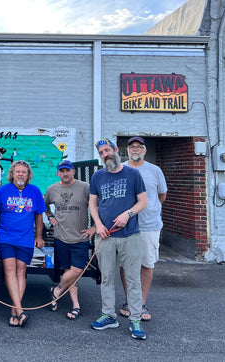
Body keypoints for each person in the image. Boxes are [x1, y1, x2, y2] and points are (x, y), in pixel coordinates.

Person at [89, 138, 148, 340]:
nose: (105, 155)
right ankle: (109, 315)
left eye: (107, 150)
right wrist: (97, 224)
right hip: (105, 236)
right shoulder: (98, 176)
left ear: (115, 149)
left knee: (132, 279)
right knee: (106, 278)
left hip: (130, 235)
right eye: (101, 153)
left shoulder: (133, 173)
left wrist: (128, 214)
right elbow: (93, 203)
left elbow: (143, 202)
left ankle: (135, 320)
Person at [0, 160, 45, 327]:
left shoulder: (34, 191)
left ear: (28, 175)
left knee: (21, 271)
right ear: (12, 174)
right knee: (9, 269)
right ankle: (19, 310)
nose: (21, 174)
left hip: (25, 239)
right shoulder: (2, 191)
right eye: (17, 171)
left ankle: (15, 309)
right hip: (5, 237)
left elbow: (39, 216)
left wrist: (39, 236)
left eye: (24, 172)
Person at [118, 137, 167, 322]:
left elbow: (161, 195)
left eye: (139, 147)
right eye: (132, 147)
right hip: (126, 226)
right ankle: (130, 302)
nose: (135, 149)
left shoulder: (155, 171)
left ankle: (142, 302)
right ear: (127, 151)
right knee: (126, 264)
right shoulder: (120, 169)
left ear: (145, 151)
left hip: (148, 225)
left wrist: (149, 210)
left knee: (146, 264)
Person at [44, 160, 96, 320]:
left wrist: (94, 228)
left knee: (78, 271)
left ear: (73, 171)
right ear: (57, 173)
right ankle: (76, 306)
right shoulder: (52, 189)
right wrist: (50, 216)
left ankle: (57, 290)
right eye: (62, 171)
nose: (65, 174)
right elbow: (44, 206)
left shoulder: (85, 187)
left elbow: (97, 207)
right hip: (61, 236)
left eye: (68, 170)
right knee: (69, 272)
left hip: (81, 236)